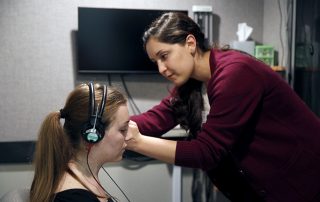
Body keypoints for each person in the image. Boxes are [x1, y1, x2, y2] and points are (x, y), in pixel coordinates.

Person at [126, 12, 320, 202]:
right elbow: (156, 119)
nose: (161, 69)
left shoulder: (236, 73)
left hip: (302, 182)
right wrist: (106, 120)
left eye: (164, 56)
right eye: (156, 62)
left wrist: (137, 142)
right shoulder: (191, 84)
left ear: (190, 44)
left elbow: (206, 152)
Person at [30, 82, 130, 202]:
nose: (128, 136)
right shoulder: (75, 199)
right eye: (123, 129)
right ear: (92, 134)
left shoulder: (77, 177)